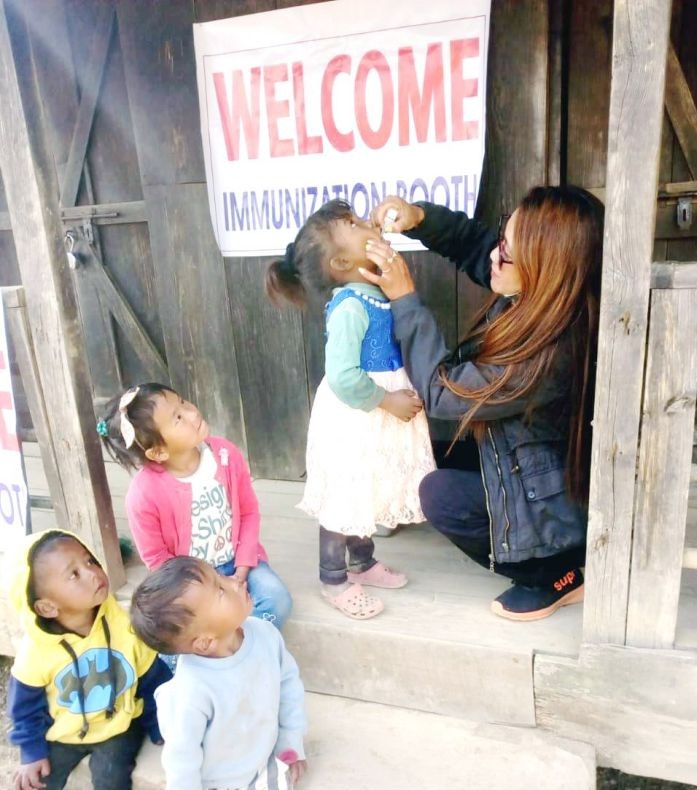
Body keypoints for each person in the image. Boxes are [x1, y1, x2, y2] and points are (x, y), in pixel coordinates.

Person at [361, 187, 604, 622]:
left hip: (554, 500)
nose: (495, 254)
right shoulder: (546, 296)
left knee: (440, 496)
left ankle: (551, 573)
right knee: (425, 450)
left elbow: (441, 393)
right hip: (526, 456)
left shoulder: (547, 354)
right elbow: (476, 245)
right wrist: (419, 218)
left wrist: (403, 299)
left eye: (507, 253)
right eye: (502, 240)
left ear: (544, 268)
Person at [105, 557, 308, 790]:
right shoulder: (191, 690)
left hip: (263, 767)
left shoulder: (265, 636)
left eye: (219, 578)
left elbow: (289, 685)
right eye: (219, 589)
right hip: (211, 784)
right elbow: (181, 762)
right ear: (203, 641)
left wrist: (290, 741)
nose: (232, 581)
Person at [265, 199, 436, 621]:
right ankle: (333, 577)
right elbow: (343, 376)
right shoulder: (350, 306)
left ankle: (362, 563)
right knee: (345, 494)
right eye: (357, 225)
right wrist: (387, 400)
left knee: (368, 487)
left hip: (375, 414)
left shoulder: (373, 291)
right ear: (342, 260)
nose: (367, 224)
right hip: (357, 414)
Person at [6, 530, 170, 790]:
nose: (94, 573)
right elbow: (24, 709)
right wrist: (31, 753)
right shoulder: (36, 652)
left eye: (90, 561)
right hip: (63, 731)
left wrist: (162, 725)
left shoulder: (125, 625)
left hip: (117, 724)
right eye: (74, 574)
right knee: (34, 789)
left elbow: (153, 678)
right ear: (47, 607)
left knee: (110, 775)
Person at [96, 384, 292, 648]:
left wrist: (243, 568)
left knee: (276, 599)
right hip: (193, 584)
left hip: (240, 561)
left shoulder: (225, 455)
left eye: (184, 402)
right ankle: (215, 652)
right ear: (158, 452)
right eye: (177, 418)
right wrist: (206, 591)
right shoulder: (144, 495)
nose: (191, 413)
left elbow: (248, 512)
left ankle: (244, 651)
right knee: (175, 631)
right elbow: (157, 559)